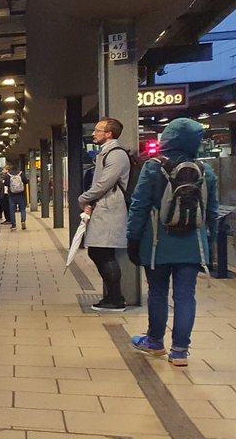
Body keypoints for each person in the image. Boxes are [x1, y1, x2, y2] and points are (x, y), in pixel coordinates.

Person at [126, 118, 219, 367]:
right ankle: (180, 351)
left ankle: (155, 341)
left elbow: (139, 206)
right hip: (192, 245)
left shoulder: (154, 167)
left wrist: (132, 238)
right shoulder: (205, 171)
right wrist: (209, 242)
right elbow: (212, 211)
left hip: (156, 243)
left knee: (157, 293)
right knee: (185, 296)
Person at [78, 117, 131, 311]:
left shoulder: (116, 155)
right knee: (98, 251)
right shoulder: (106, 153)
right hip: (105, 208)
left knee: (103, 252)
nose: (94, 133)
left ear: (109, 134)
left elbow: (103, 184)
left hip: (111, 209)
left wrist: (83, 199)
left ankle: (116, 299)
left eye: (98, 130)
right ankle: (112, 296)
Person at [3, 164, 28, 230]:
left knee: (12, 210)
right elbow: (25, 181)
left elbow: (5, 184)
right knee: (22, 209)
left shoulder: (8, 175)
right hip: (21, 194)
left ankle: (13, 225)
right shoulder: (21, 173)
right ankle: (23, 221)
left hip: (11, 195)